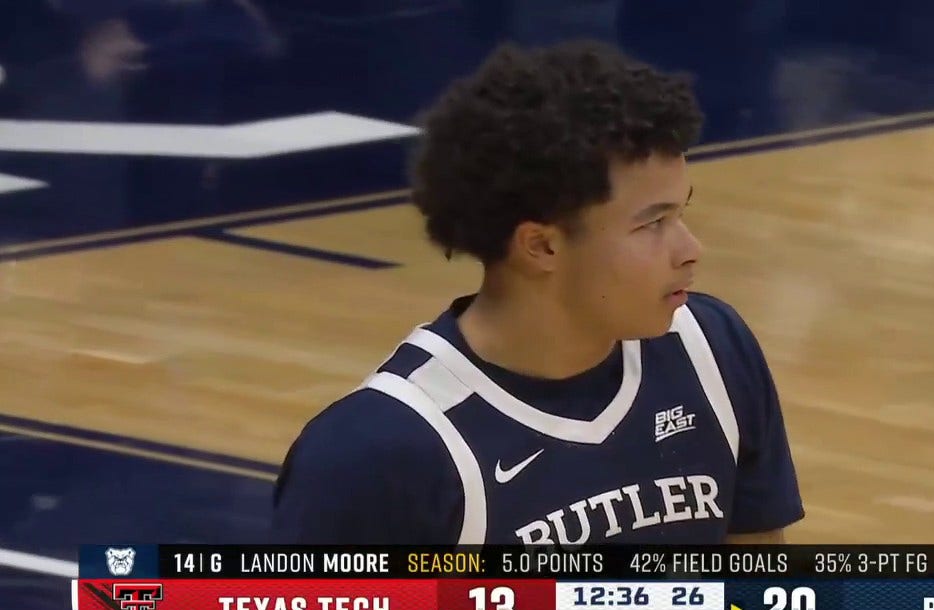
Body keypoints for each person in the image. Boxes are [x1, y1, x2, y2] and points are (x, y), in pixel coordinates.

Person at [271, 39, 804, 550]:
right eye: (652, 224)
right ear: (541, 246)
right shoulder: (379, 454)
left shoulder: (712, 350)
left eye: (681, 213)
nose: (691, 249)